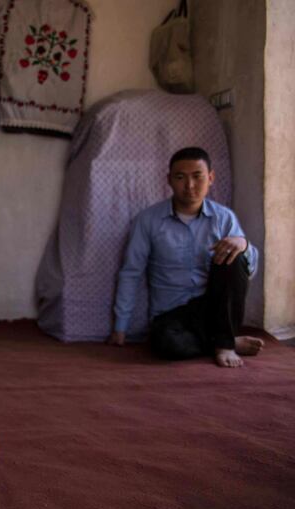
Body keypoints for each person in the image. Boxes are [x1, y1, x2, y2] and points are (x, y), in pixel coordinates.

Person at [108, 146, 264, 368]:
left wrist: (244, 244)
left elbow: (247, 271)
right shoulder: (148, 220)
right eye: (180, 177)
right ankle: (224, 341)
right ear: (169, 180)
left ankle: (224, 343)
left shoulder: (223, 218)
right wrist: (120, 327)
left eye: (197, 176)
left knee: (237, 254)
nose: (189, 186)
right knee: (166, 343)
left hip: (214, 308)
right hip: (172, 315)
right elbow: (131, 272)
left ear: (210, 178)